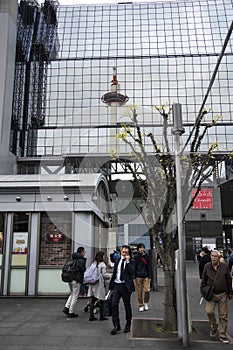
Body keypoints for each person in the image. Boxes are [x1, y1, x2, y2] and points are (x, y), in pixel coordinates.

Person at [200, 249, 233, 344]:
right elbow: (204, 279)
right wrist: (202, 291)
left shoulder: (224, 267)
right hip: (211, 293)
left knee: (223, 315)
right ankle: (214, 326)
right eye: (212, 256)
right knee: (209, 311)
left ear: (219, 258)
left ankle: (222, 334)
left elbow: (229, 279)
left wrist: (230, 292)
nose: (213, 258)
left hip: (222, 293)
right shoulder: (207, 266)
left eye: (215, 256)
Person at [109, 244, 135, 335]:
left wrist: (128, 262)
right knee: (114, 304)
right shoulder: (117, 260)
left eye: (126, 252)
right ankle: (116, 325)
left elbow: (132, 271)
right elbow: (115, 272)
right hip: (117, 285)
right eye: (123, 252)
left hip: (125, 286)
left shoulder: (131, 261)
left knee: (127, 305)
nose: (124, 254)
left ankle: (128, 324)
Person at [63, 246, 86, 318]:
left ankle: (66, 307)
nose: (85, 253)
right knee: (75, 296)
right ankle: (71, 311)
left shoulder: (72, 259)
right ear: (81, 252)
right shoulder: (81, 261)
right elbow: (83, 270)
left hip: (69, 279)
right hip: (76, 280)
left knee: (72, 294)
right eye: (84, 251)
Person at [87, 250, 111, 321]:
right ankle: (101, 316)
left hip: (92, 283)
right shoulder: (102, 264)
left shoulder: (93, 263)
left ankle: (91, 315)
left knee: (93, 299)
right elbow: (104, 275)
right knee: (101, 299)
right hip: (99, 283)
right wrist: (110, 275)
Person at [134, 243, 152, 311]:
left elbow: (149, 266)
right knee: (139, 292)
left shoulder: (147, 256)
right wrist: (134, 276)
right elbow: (134, 267)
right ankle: (140, 304)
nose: (141, 249)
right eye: (140, 248)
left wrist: (150, 275)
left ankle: (146, 302)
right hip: (138, 276)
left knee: (147, 290)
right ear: (138, 249)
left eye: (142, 247)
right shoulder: (136, 256)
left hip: (146, 275)